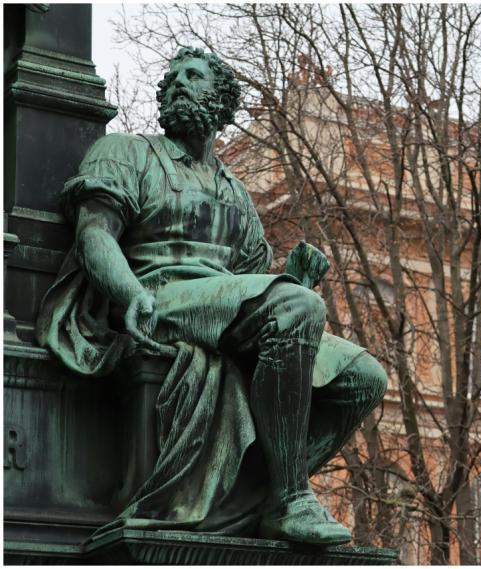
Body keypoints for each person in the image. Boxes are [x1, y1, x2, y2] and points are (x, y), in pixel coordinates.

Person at [36, 47, 387, 546]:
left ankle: (253, 488)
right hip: (160, 294)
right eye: (173, 76)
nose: (178, 82)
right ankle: (289, 498)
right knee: (295, 306)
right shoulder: (129, 152)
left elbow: (255, 294)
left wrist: (297, 281)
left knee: (364, 380)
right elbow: (95, 233)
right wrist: (131, 293)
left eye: (194, 76)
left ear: (221, 101)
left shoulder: (238, 194)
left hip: (219, 309)